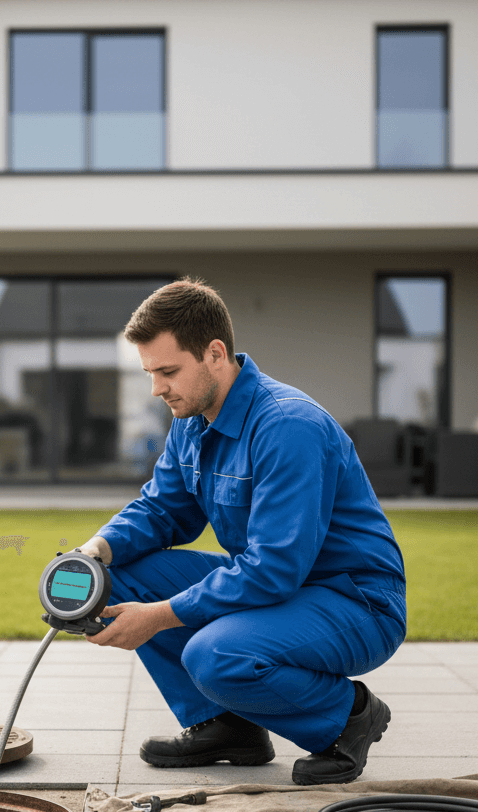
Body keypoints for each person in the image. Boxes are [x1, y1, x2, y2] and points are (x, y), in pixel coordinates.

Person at [77, 278, 407, 785]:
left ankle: (348, 717)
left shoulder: (287, 426)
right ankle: (227, 726)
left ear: (215, 353)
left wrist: (159, 617)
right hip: (280, 588)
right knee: (118, 576)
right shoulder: (191, 420)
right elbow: (163, 509)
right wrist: (93, 552)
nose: (157, 388)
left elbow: (274, 569)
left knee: (214, 655)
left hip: (354, 600)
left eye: (168, 371)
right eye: (150, 373)